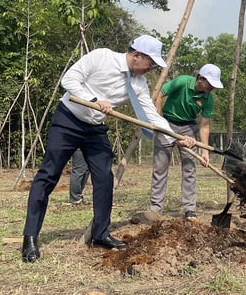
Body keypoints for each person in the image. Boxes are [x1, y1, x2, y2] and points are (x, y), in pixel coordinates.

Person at [21, 35, 195, 263]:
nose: (151, 68)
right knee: (48, 175)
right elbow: (69, 79)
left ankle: (100, 233)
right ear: (137, 55)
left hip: (95, 128)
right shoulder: (101, 57)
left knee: (104, 178)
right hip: (69, 120)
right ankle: (30, 237)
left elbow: (150, 115)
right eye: (150, 63)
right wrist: (93, 99)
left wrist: (176, 136)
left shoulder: (139, 84)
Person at [150, 64, 223, 219]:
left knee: (189, 168)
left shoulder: (208, 98)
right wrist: (159, 120)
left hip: (188, 128)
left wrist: (205, 151)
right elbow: (159, 95)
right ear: (201, 78)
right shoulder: (182, 81)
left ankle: (189, 209)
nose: (212, 88)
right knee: (160, 167)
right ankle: (156, 209)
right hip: (166, 123)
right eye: (210, 84)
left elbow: (204, 125)